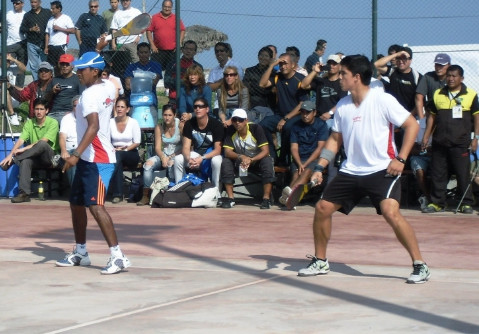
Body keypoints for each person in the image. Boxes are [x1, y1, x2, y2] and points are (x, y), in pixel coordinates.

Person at [298, 55, 431, 284]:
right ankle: (320, 260)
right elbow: (334, 140)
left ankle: (420, 265)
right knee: (322, 208)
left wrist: (401, 158)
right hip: (351, 171)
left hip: (382, 169)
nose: (339, 78)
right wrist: (320, 166)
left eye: (343, 74)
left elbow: (412, 124)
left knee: (390, 212)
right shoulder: (342, 105)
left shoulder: (383, 100)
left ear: (356, 77)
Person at [55, 51, 131, 275]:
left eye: (82, 69)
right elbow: (113, 83)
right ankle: (81, 252)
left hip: (97, 158)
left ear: (95, 71)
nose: (78, 73)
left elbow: (94, 127)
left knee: (96, 206)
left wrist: (75, 154)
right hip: (88, 158)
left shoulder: (89, 95)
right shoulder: (108, 86)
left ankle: (118, 257)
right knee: (76, 204)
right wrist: (101, 47)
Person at [421, 65, 479, 214]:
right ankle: (437, 203)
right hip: (440, 142)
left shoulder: (471, 95)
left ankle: (465, 203)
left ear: (462, 78)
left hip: (460, 143)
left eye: (454, 76)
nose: (451, 79)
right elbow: (432, 117)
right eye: (449, 76)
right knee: (438, 174)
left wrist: (476, 138)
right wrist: (426, 136)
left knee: (462, 173)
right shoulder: (437, 93)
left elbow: (477, 117)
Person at [0, 98, 59, 203]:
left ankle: (15, 160)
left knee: (42, 144)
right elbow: (21, 140)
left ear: (47, 110)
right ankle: (24, 194)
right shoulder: (30, 123)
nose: (39, 112)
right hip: (34, 157)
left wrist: (18, 154)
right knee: (26, 161)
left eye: (41, 109)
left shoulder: (53, 122)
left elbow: (43, 141)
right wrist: (11, 154)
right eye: (37, 109)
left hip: (50, 158)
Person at [258, 53, 309, 165]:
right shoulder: (277, 77)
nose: (282, 66)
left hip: (296, 116)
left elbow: (302, 104)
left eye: (285, 63)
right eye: (280, 64)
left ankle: (283, 158)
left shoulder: (300, 79)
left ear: (292, 65)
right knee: (262, 125)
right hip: (279, 115)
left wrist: (286, 118)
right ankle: (272, 155)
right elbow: (262, 84)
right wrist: (271, 66)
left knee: (288, 128)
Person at [220, 108, 274, 209]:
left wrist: (251, 159)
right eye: (234, 120)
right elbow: (227, 152)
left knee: (267, 161)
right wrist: (241, 157)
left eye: (240, 120)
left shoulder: (256, 128)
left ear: (246, 120)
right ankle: (231, 198)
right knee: (226, 162)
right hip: (240, 160)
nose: (237, 123)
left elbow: (266, 151)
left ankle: (266, 199)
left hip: (256, 160)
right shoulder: (230, 130)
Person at [279, 101, 329, 206]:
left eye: (308, 112)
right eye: (303, 112)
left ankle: (289, 195)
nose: (305, 115)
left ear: (314, 112)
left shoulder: (321, 125)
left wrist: (305, 164)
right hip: (299, 159)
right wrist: (299, 163)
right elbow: (294, 148)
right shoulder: (295, 126)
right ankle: (291, 199)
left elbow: (320, 149)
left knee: (306, 172)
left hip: (315, 159)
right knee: (296, 174)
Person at [137, 104, 182, 206]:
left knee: (171, 164)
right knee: (148, 164)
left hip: (178, 154)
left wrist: (170, 157)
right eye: (165, 115)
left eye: (170, 115)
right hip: (164, 154)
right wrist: (163, 157)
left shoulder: (180, 125)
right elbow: (157, 147)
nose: (167, 117)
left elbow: (186, 147)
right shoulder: (159, 127)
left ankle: (170, 192)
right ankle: (146, 194)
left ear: (174, 115)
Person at [174, 97, 224, 189]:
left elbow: (217, 150)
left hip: (210, 156)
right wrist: (189, 159)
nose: (197, 109)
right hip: (195, 155)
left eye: (201, 107)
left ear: (207, 109)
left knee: (216, 160)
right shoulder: (189, 124)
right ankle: (179, 188)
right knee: (178, 159)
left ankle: (216, 189)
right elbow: (186, 147)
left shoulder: (216, 125)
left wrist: (202, 158)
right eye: (195, 107)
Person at [109, 97, 142, 203]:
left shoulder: (133, 122)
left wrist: (126, 149)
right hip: (114, 153)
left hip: (130, 153)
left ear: (127, 109)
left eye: (122, 107)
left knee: (118, 156)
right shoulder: (110, 122)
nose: (119, 109)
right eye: (117, 106)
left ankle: (105, 183)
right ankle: (118, 195)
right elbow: (106, 140)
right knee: (117, 161)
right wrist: (113, 149)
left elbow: (137, 142)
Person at [301, 54, 348, 128]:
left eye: (334, 64)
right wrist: (315, 71)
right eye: (329, 63)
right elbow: (303, 85)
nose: (331, 66)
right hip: (318, 117)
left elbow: (342, 102)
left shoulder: (342, 83)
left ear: (340, 67)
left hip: (334, 118)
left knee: (327, 125)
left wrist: (330, 113)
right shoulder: (321, 81)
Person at [146, 0, 185, 70]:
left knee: (172, 73)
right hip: (158, 51)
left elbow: (182, 30)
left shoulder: (176, 18)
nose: (167, 9)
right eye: (165, 7)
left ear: (172, 7)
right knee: (155, 72)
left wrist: (179, 43)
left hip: (172, 52)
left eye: (169, 7)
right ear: (162, 7)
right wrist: (152, 45)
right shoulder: (154, 18)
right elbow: (149, 31)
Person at [45, 53, 82, 124]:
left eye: (67, 64)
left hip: (70, 112)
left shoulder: (78, 79)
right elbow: (46, 99)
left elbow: (81, 98)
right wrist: (52, 91)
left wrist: (73, 112)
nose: (64, 66)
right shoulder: (54, 80)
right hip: (54, 112)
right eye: (62, 64)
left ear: (72, 66)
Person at [163, 40, 203, 106]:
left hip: (191, 100)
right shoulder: (172, 64)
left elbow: (199, 85)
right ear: (182, 50)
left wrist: (176, 81)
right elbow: (166, 82)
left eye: (191, 49)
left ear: (195, 52)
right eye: (186, 48)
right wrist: (188, 82)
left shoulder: (198, 67)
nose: (188, 51)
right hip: (174, 100)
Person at [19, 0, 51, 81]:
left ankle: (48, 83)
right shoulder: (27, 15)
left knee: (47, 65)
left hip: (45, 44)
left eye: (35, 2)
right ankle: (37, 84)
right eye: (32, 2)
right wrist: (31, 29)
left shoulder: (47, 12)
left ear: (40, 2)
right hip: (32, 43)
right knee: (34, 66)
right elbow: (22, 29)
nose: (33, 4)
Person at [243, 46, 276, 120]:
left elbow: (273, 90)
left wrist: (255, 86)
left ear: (270, 59)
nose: (263, 58)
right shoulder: (250, 71)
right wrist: (266, 89)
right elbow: (246, 87)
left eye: (266, 56)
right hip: (253, 103)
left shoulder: (273, 73)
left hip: (268, 104)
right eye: (261, 55)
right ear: (258, 57)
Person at [44, 1, 75, 76]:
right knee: (53, 66)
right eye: (51, 8)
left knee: (61, 65)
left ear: (59, 9)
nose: (51, 10)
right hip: (51, 46)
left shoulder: (66, 18)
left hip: (61, 46)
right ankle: (56, 81)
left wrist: (60, 29)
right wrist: (46, 47)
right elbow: (47, 34)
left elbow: (73, 30)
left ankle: (63, 80)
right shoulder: (50, 20)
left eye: (53, 8)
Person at [56, 95, 79, 186]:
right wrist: (63, 150)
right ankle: (75, 191)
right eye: (75, 106)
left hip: (83, 151)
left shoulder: (88, 118)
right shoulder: (67, 118)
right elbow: (62, 136)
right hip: (70, 150)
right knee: (70, 159)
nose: (77, 108)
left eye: (79, 105)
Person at [6, 0, 27, 87]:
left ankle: (19, 88)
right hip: (10, 43)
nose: (15, 5)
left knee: (22, 66)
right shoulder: (8, 14)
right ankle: (7, 85)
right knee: (7, 63)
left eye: (17, 3)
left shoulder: (26, 15)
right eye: (14, 3)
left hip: (23, 43)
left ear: (22, 4)